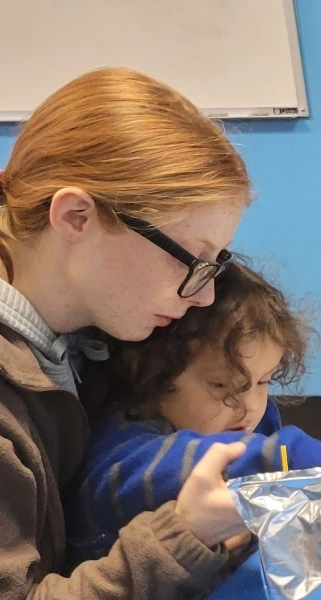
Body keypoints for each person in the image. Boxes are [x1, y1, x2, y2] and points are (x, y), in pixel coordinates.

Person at [0, 67, 256, 598]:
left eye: (215, 265)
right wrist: (185, 538)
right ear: (75, 218)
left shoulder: (91, 329)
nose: (205, 295)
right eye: (191, 260)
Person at [67, 260, 321, 564]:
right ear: (152, 376)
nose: (249, 405)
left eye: (263, 381)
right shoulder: (120, 457)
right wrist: (287, 454)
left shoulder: (240, 422)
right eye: (222, 385)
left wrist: (314, 497)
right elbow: (195, 460)